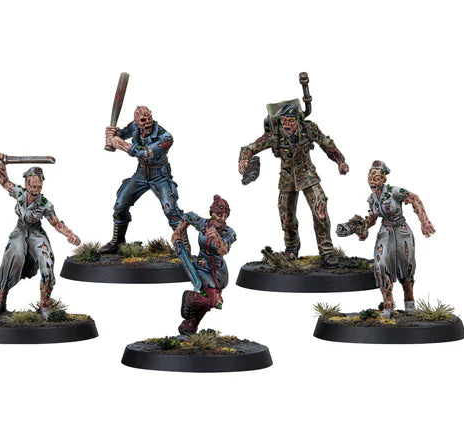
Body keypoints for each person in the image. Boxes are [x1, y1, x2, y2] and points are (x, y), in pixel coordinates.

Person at [238, 99, 348, 267]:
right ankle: (291, 246)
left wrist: (340, 161)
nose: (287, 124)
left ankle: (326, 250)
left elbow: (327, 144)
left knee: (320, 210)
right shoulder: (275, 135)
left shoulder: (309, 129)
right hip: (287, 178)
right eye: (284, 120)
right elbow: (250, 147)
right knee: (286, 216)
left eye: (290, 120)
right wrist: (244, 159)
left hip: (308, 175)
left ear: (297, 120)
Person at [0, 155, 80, 315]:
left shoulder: (45, 204)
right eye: (33, 186)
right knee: (12, 257)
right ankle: (0, 301)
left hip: (36, 234)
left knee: (47, 262)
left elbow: (56, 223)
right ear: (26, 184)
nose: (37, 190)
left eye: (39, 186)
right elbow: (4, 182)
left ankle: (45, 305)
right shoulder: (20, 193)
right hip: (20, 231)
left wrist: (69, 234)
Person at [101, 105, 183, 253]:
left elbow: (146, 153)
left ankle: (182, 245)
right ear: (137, 122)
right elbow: (122, 133)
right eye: (143, 121)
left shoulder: (166, 137)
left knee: (170, 209)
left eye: (149, 118)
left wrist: (119, 143)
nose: (147, 123)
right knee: (120, 204)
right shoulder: (135, 127)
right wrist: (113, 132)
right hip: (141, 174)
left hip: (160, 176)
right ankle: (117, 241)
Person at [358, 160, 435, 317]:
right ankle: (388, 305)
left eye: (376, 177)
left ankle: (409, 302)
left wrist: (424, 221)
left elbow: (414, 199)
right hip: (385, 232)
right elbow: (372, 217)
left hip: (401, 231)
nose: (372, 180)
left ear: (383, 178)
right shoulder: (372, 199)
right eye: (370, 177)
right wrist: (363, 228)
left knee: (406, 266)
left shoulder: (394, 192)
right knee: (380, 265)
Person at [172, 195, 236, 335]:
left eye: (225, 216)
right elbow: (189, 216)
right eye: (219, 215)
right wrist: (179, 231)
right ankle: (189, 298)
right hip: (203, 266)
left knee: (210, 303)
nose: (222, 218)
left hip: (219, 271)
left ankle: (189, 326)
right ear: (212, 213)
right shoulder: (203, 224)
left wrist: (217, 239)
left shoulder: (228, 232)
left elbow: (224, 250)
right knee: (211, 301)